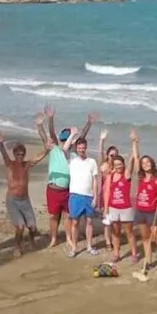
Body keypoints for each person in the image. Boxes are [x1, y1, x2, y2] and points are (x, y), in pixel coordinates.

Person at [37, 106, 96, 249]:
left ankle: (69, 237)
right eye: (62, 139)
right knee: (53, 216)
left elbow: (82, 137)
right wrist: (48, 120)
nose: (64, 142)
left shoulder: (74, 153)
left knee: (67, 216)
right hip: (53, 189)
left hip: (67, 190)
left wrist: (89, 123)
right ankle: (53, 238)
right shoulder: (54, 149)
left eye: (67, 139)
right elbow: (48, 135)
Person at [0, 132, 52, 257]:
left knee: (32, 227)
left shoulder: (26, 165)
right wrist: (0, 143)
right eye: (17, 154)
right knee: (20, 226)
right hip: (12, 200)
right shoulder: (9, 164)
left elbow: (38, 158)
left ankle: (31, 241)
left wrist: (47, 150)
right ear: (14, 154)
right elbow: (4, 154)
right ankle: (17, 246)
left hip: (25, 200)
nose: (20, 156)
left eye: (22, 154)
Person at [132, 136, 157, 274]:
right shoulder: (140, 177)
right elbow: (136, 158)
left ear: (152, 163)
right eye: (143, 163)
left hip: (152, 212)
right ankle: (148, 262)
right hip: (140, 211)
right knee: (145, 238)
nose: (145, 164)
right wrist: (135, 143)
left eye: (148, 162)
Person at [103, 130, 138, 262]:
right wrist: (106, 208)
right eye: (116, 164)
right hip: (113, 208)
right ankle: (116, 254)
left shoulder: (127, 174)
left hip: (126, 208)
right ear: (113, 165)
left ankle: (134, 253)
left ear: (123, 164)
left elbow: (133, 158)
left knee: (129, 232)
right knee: (115, 232)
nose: (118, 166)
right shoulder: (110, 176)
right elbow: (107, 192)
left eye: (120, 164)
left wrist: (134, 142)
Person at [68, 135, 99, 257]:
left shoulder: (92, 162)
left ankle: (89, 246)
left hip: (88, 196)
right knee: (75, 222)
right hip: (75, 195)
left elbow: (95, 180)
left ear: (86, 148)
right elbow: (64, 149)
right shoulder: (72, 161)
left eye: (83, 148)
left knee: (89, 221)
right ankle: (74, 248)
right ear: (76, 148)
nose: (81, 150)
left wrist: (95, 197)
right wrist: (72, 135)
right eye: (79, 148)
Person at [98, 130, 120, 252]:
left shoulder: (118, 168)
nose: (113, 158)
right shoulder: (105, 166)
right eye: (111, 155)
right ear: (107, 156)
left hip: (116, 197)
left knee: (115, 220)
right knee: (107, 220)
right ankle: (108, 241)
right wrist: (102, 140)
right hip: (105, 196)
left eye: (115, 156)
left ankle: (115, 238)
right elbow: (100, 153)